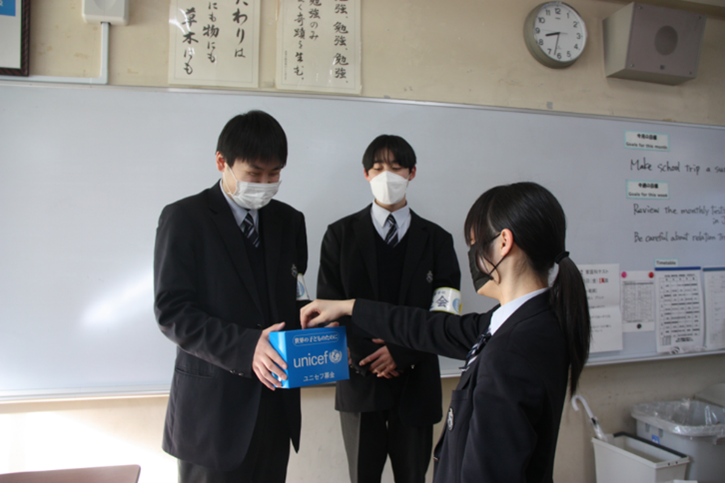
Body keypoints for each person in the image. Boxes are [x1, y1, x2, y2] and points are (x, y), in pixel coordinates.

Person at [301, 182, 591, 483]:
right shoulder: (530, 322)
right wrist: (350, 307)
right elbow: (430, 327)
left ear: (504, 242)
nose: (473, 256)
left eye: (475, 244)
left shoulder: (509, 353)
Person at [154, 110, 309, 483]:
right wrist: (246, 346)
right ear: (222, 162)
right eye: (254, 174)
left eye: (274, 175)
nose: (265, 184)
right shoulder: (184, 218)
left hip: (275, 407)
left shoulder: (290, 221)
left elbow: (295, 295)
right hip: (212, 414)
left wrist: (315, 324)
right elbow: (172, 312)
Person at [317, 134, 461, 483]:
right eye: (378, 168)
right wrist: (366, 356)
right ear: (366, 174)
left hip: (417, 381)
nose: (387, 176)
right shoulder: (339, 235)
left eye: (396, 167)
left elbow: (445, 312)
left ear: (412, 172)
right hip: (359, 380)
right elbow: (328, 308)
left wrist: (401, 352)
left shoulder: (437, 240)